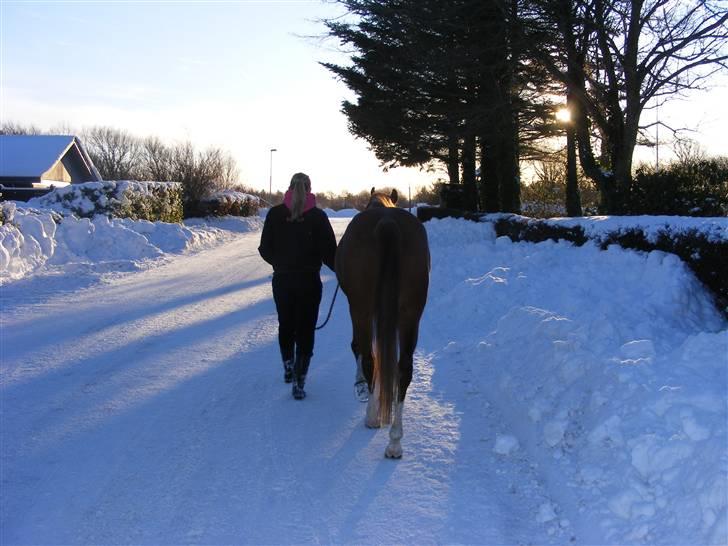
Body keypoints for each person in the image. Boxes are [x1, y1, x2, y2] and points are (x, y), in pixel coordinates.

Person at [258, 172, 337, 400]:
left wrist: (281, 263)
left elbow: (264, 248)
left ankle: (288, 366)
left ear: (289, 188)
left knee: (286, 324)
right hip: (309, 281)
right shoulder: (318, 217)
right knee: (305, 329)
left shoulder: (274, 214)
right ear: (310, 189)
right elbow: (330, 253)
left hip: (282, 281)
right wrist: (343, 270)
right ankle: (300, 381)